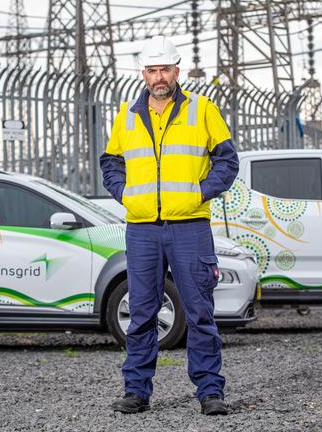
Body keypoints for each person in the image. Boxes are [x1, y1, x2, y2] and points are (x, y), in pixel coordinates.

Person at [100, 35, 239, 416]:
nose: (159, 77)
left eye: (165, 69)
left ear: (177, 71)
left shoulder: (202, 109)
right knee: (142, 312)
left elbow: (227, 160)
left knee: (199, 311)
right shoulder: (127, 115)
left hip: (189, 225)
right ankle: (136, 392)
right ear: (143, 73)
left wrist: (200, 193)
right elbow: (110, 163)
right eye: (152, 70)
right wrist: (126, 195)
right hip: (143, 227)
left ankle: (210, 392)